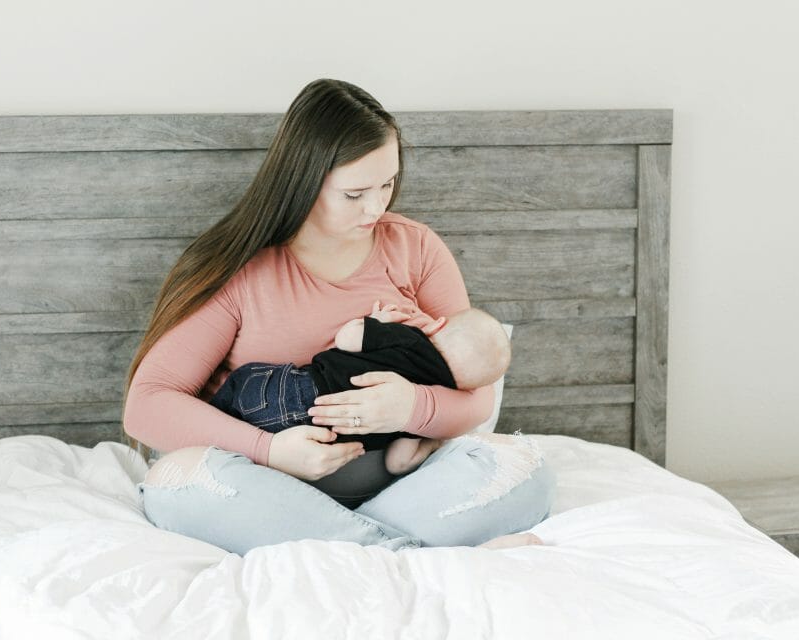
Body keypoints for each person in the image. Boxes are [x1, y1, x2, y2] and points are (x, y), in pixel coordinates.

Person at [122, 78, 555, 555]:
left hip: (403, 491)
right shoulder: (240, 268)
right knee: (177, 481)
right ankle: (404, 554)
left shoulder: (415, 249)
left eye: (387, 184)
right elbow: (147, 405)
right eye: (355, 193)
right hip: (265, 491)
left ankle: (355, 546)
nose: (377, 206)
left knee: (525, 469)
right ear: (304, 182)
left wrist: (411, 406)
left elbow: (476, 398)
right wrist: (271, 452)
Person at [207, 301, 512, 477]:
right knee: (237, 462)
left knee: (224, 409)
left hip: (287, 385)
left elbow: (347, 340)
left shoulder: (408, 337)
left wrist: (376, 322)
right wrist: (432, 443)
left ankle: (205, 435)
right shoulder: (422, 405)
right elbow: (397, 463)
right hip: (308, 433)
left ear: (438, 325)